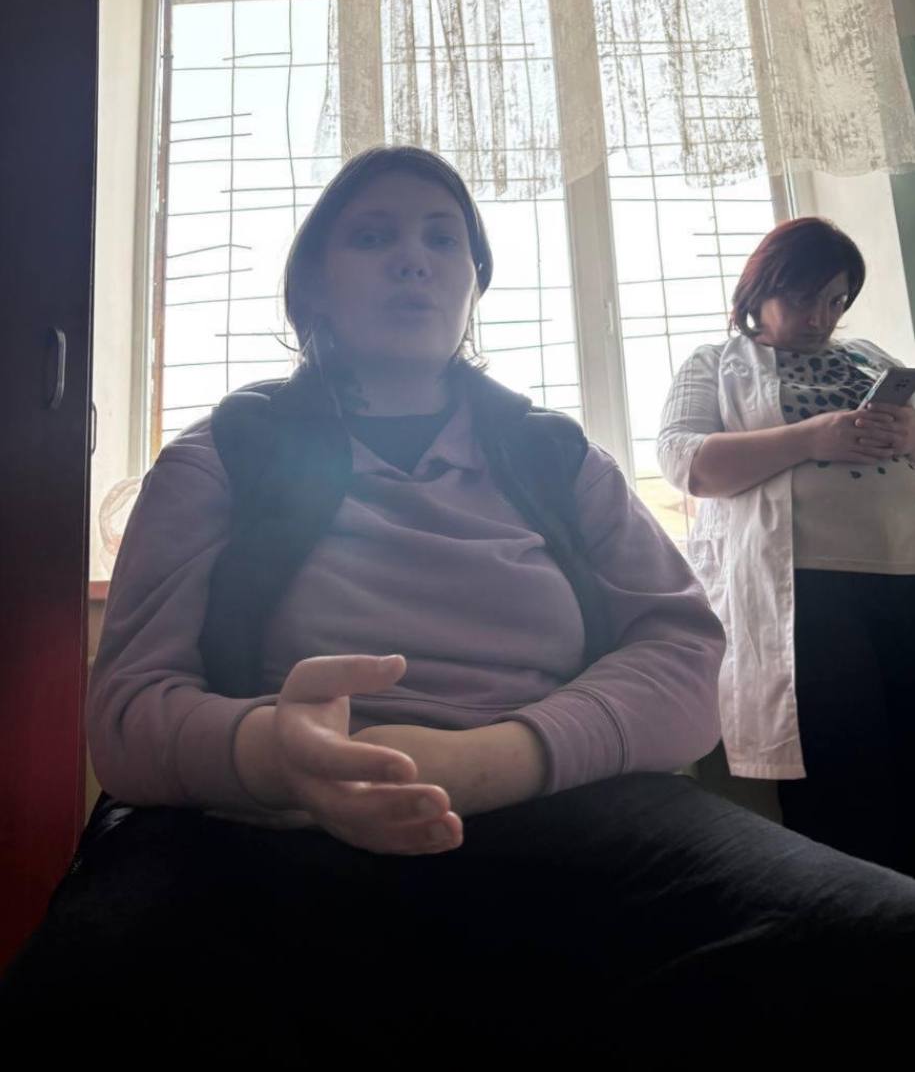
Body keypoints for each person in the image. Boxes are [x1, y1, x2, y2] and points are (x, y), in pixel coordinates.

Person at [3, 161, 915, 1068]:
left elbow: (679, 657)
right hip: (257, 830)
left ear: (473, 283)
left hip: (569, 810)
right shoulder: (217, 455)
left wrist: (492, 759)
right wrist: (274, 752)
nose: (414, 257)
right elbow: (129, 712)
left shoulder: (558, 457)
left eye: (442, 239)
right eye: (373, 236)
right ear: (312, 282)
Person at [658, 216, 915, 875]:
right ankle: (861, 919)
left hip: (905, 573)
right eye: (802, 298)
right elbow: (685, 461)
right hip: (804, 590)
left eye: (835, 300)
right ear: (759, 291)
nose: (820, 317)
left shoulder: (873, 359)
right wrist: (810, 438)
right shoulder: (714, 362)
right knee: (845, 773)